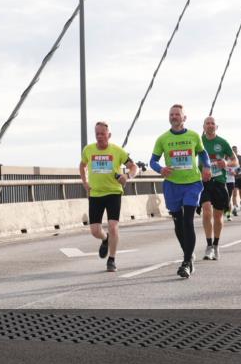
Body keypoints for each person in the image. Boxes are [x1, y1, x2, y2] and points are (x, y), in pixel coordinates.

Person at [150, 104, 210, 279]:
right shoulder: (163, 139)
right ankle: (189, 254)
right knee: (178, 222)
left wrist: (206, 167)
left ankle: (186, 263)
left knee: (188, 220)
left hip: (192, 182)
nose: (174, 117)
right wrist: (160, 169)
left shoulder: (193, 136)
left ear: (184, 118)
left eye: (177, 114)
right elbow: (152, 161)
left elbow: (203, 153)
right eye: (171, 114)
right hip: (172, 184)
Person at [79, 121, 138, 272]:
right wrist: (85, 182)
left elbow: (134, 167)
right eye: (97, 134)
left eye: (102, 134)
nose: (99, 137)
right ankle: (105, 239)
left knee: (113, 226)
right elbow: (82, 165)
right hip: (95, 193)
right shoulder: (88, 150)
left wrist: (127, 176)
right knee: (95, 231)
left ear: (109, 135)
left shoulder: (118, 151)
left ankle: (111, 259)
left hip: (113, 192)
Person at [200, 117, 232, 260]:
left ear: (216, 127)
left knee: (218, 216)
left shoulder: (222, 142)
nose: (210, 125)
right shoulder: (198, 141)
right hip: (204, 182)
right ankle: (208, 246)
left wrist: (226, 162)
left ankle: (216, 245)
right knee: (206, 212)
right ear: (204, 126)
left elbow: (234, 160)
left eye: (213, 123)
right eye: (208, 123)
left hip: (219, 181)